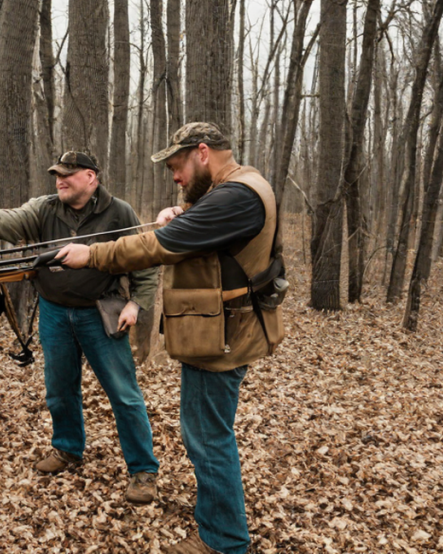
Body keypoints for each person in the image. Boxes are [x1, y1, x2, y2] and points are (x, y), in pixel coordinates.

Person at [55, 123, 285, 554]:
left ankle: (224, 543)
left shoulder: (235, 196)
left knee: (207, 436)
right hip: (222, 333)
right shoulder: (237, 186)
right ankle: (223, 531)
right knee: (208, 433)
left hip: (221, 339)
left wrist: (92, 254)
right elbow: (197, 230)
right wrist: (182, 212)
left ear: (202, 153)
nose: (175, 178)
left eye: (177, 167)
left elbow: (160, 246)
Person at [0, 151, 161, 504]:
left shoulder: (119, 212)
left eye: (68, 174)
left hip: (100, 313)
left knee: (124, 395)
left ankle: (143, 470)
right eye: (57, 174)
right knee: (60, 390)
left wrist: (135, 304)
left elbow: (146, 261)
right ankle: (67, 450)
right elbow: (8, 221)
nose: (60, 180)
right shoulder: (45, 207)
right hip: (54, 313)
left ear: (91, 177)